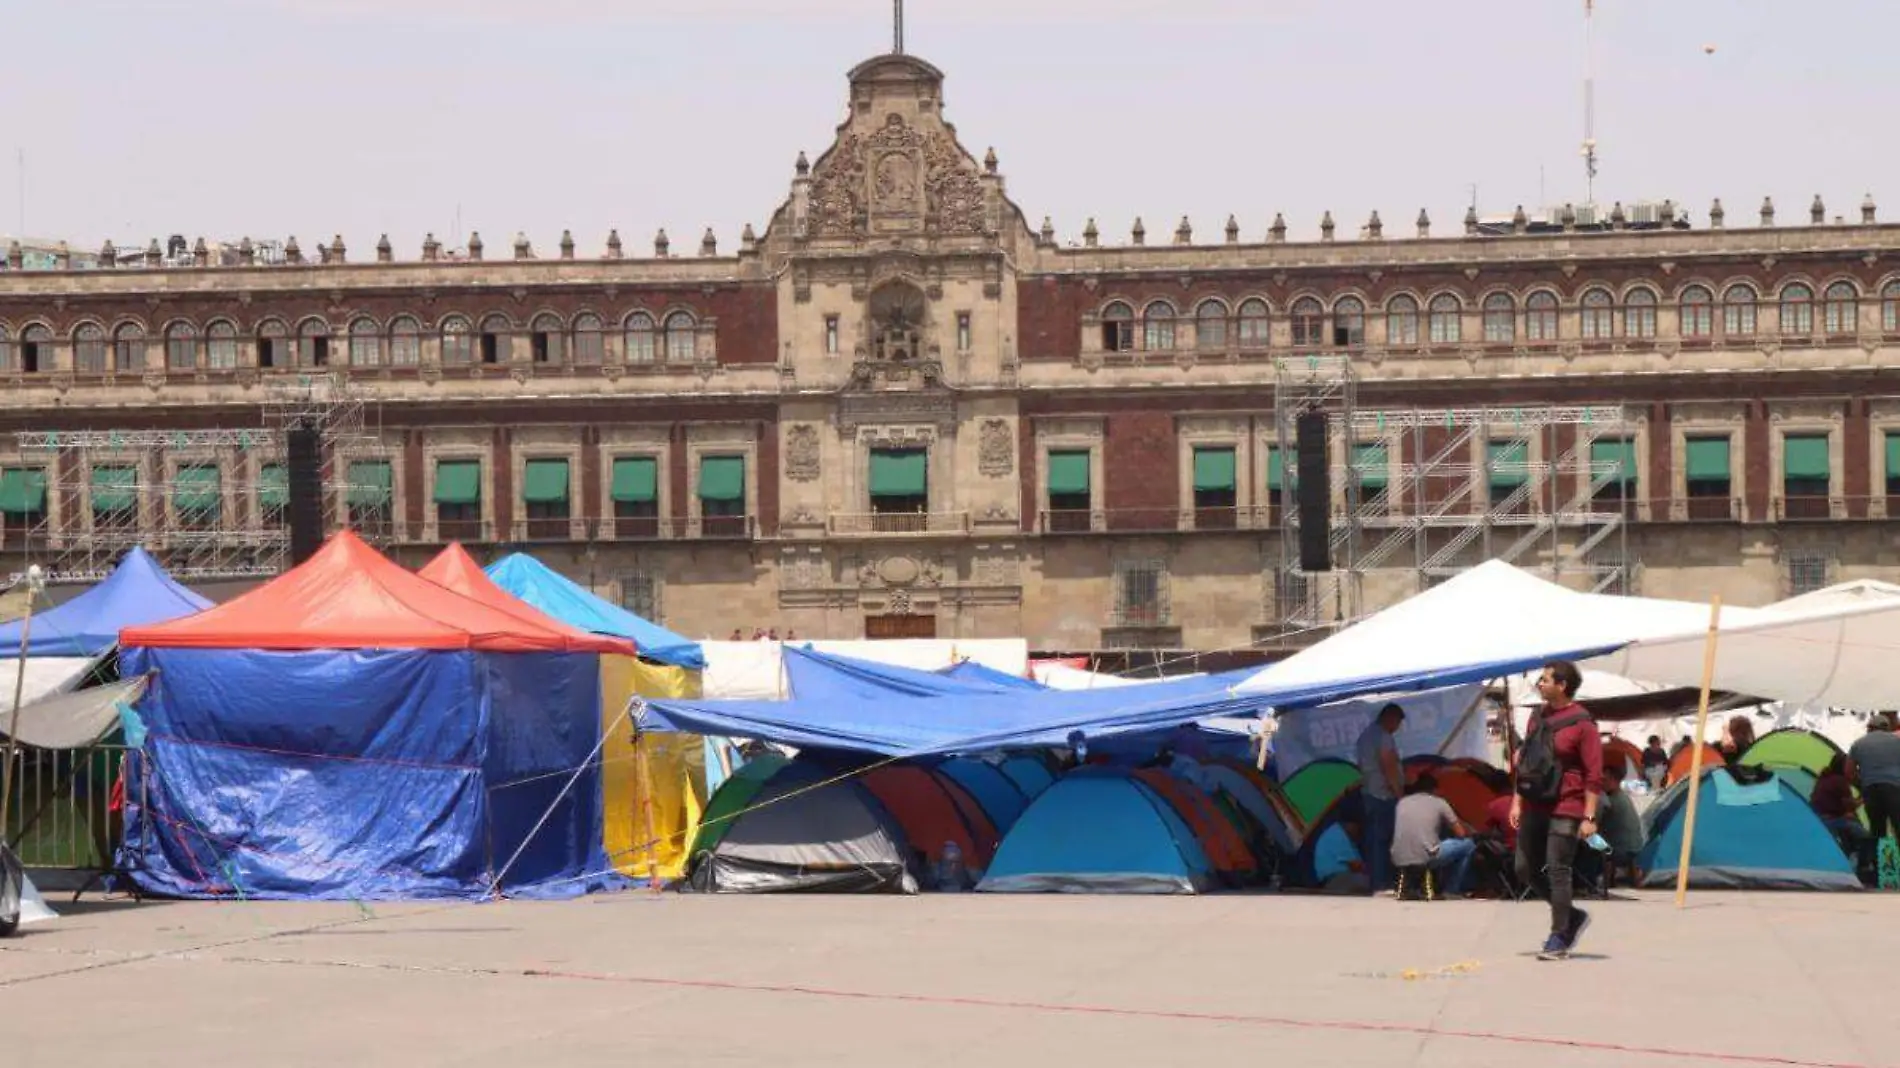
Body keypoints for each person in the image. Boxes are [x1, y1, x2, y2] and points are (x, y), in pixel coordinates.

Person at [1510, 660, 1603, 961]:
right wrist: (1516, 800)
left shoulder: (1583, 723)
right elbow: (1528, 762)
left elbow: (1594, 773)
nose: (1540, 683)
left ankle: (1558, 935)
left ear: (1562, 685)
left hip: (1568, 803)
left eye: (1545, 679)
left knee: (1558, 869)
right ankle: (1571, 916)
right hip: (1535, 801)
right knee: (1524, 868)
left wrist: (1589, 817)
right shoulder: (1537, 717)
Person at [1391, 773, 1475, 897]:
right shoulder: (1439, 802)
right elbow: (1461, 833)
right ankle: (1451, 890)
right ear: (1435, 789)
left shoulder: (1402, 802)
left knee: (1435, 843)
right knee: (1468, 845)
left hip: (1398, 856)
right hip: (1426, 857)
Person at [1354, 703, 1406, 894]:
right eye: (1397, 723)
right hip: (1383, 795)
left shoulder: (1365, 736)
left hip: (1369, 792)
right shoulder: (1383, 737)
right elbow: (1388, 765)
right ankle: (1382, 883)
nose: (1397, 728)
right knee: (1383, 840)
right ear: (1390, 718)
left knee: (1373, 839)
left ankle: (1376, 882)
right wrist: (1399, 793)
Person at [1846, 711, 1900, 877]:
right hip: (1894, 787)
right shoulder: (1897, 741)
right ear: (1887, 727)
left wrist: (1862, 785)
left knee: (1877, 830)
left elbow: (1849, 772)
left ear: (1870, 728)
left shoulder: (1858, 744)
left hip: (1870, 789)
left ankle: (1880, 871)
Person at [1595, 758, 1644, 888]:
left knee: (1587, 839)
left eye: (1604, 780)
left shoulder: (1607, 800)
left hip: (1616, 850)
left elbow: (1595, 822)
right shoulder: (1624, 796)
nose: (1601, 783)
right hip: (1636, 846)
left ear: (1614, 781)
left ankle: (1587, 879)